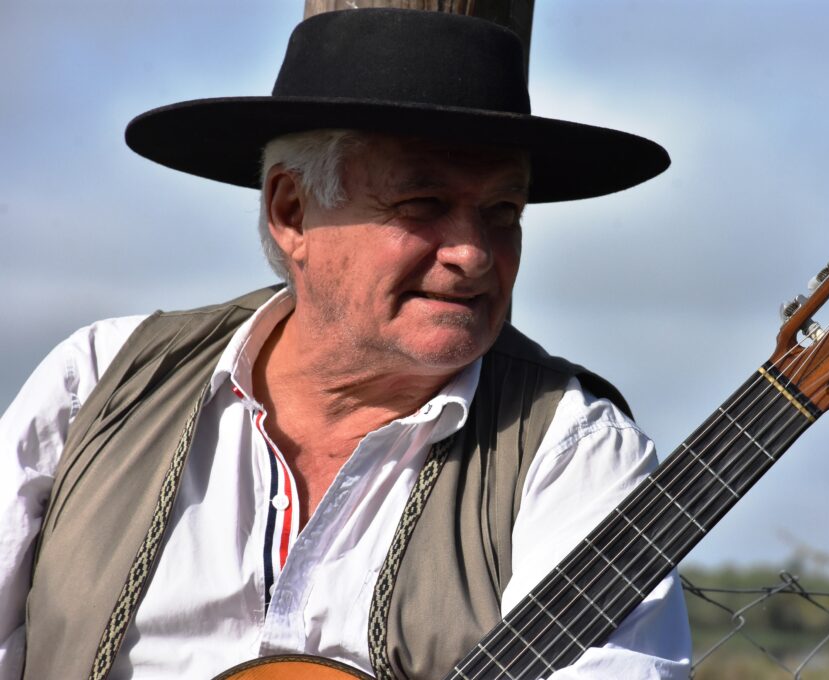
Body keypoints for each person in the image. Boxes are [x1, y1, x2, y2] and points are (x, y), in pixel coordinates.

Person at [0, 9, 690, 680]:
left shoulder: (575, 453)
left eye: (502, 211)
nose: (474, 253)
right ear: (291, 211)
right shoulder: (99, 384)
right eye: (422, 204)